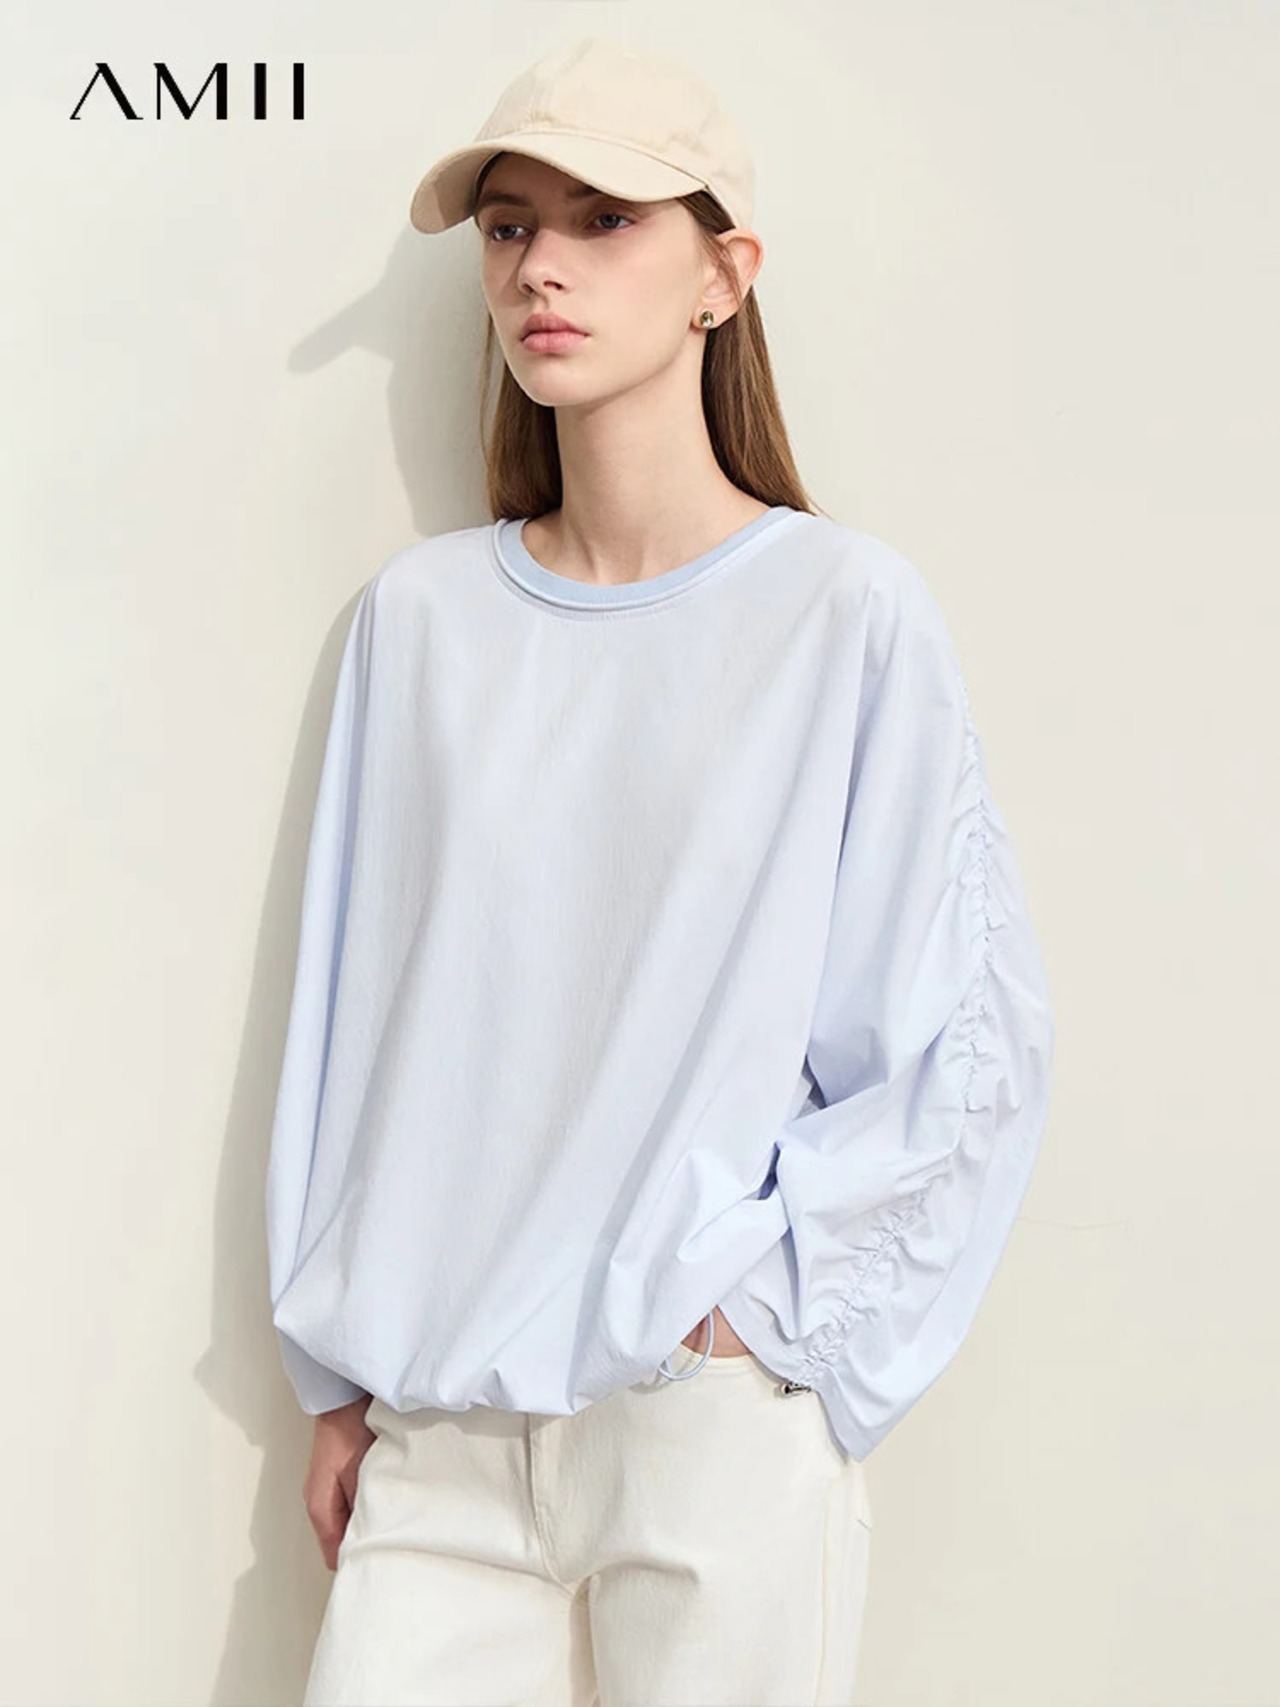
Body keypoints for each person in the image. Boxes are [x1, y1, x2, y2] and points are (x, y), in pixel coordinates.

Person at [264, 35, 1055, 1707]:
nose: (538, 266)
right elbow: (355, 1014)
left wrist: (761, 1319)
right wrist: (334, 1373)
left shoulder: (843, 614)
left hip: (705, 1419)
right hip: (440, 1431)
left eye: (603, 218)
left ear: (724, 273)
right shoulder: (423, 622)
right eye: (508, 226)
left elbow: (959, 1034)